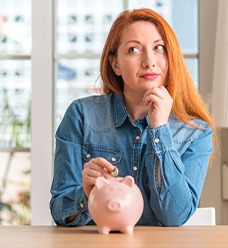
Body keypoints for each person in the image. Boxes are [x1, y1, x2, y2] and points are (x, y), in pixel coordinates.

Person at [50, 8, 216, 227]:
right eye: (134, 49)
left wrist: (159, 130)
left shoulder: (195, 132)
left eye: (159, 48)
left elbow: (174, 217)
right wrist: (86, 195)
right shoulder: (81, 116)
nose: (149, 61)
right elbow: (60, 211)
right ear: (115, 64)